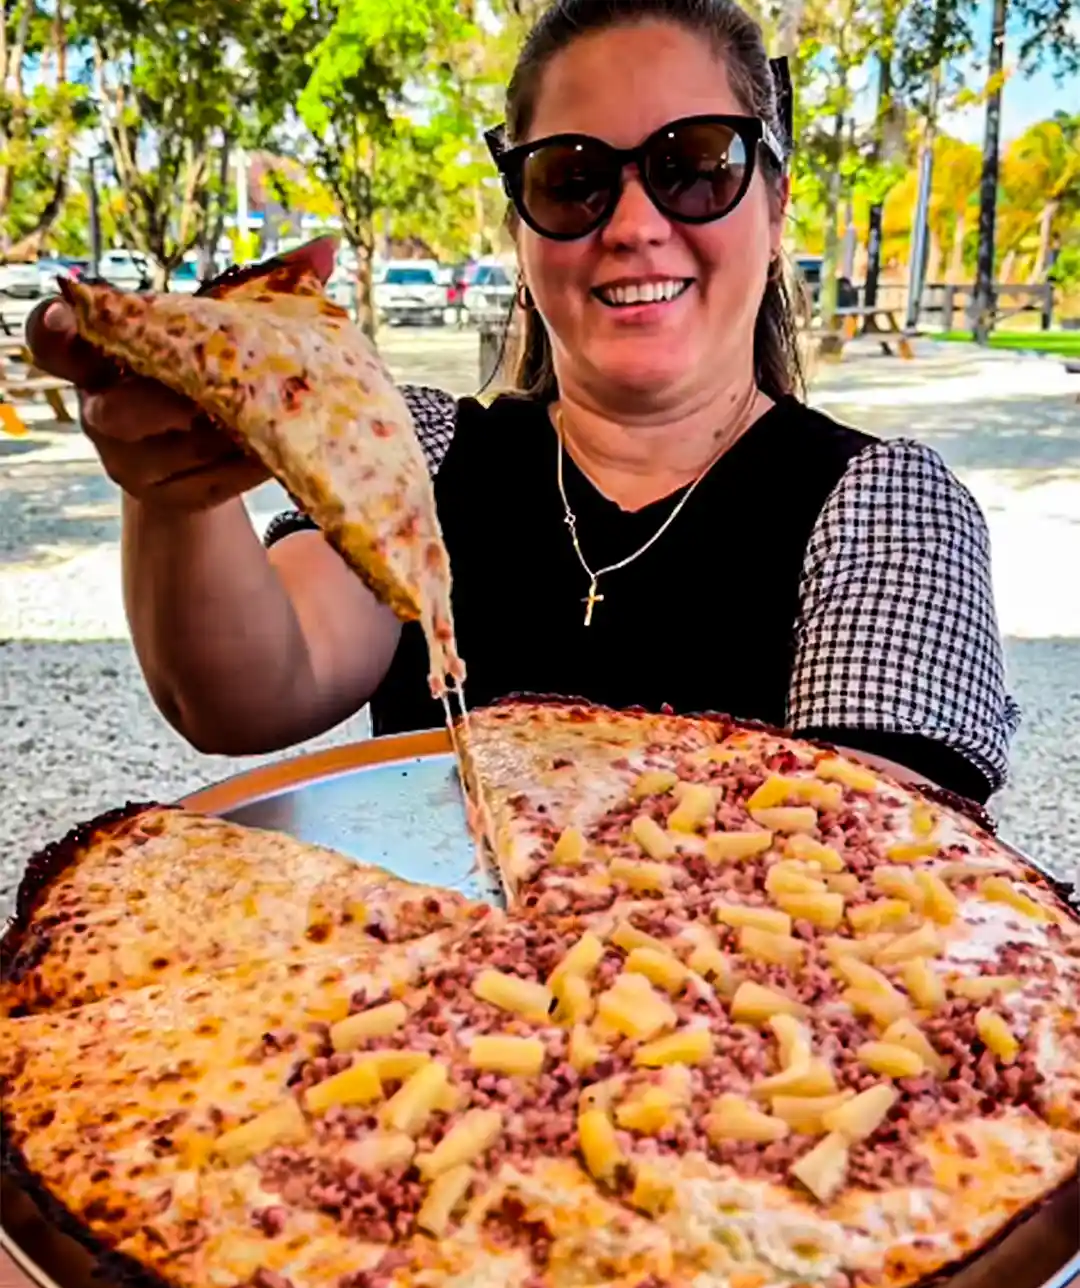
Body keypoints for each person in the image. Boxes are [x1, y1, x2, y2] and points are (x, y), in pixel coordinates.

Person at [26, 0, 1017, 805]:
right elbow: (244, 696)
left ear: (776, 206)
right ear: (521, 229)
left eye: (695, 167)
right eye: (572, 179)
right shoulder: (420, 449)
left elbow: (879, 870)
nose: (633, 225)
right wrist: (174, 484)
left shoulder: (888, 505)